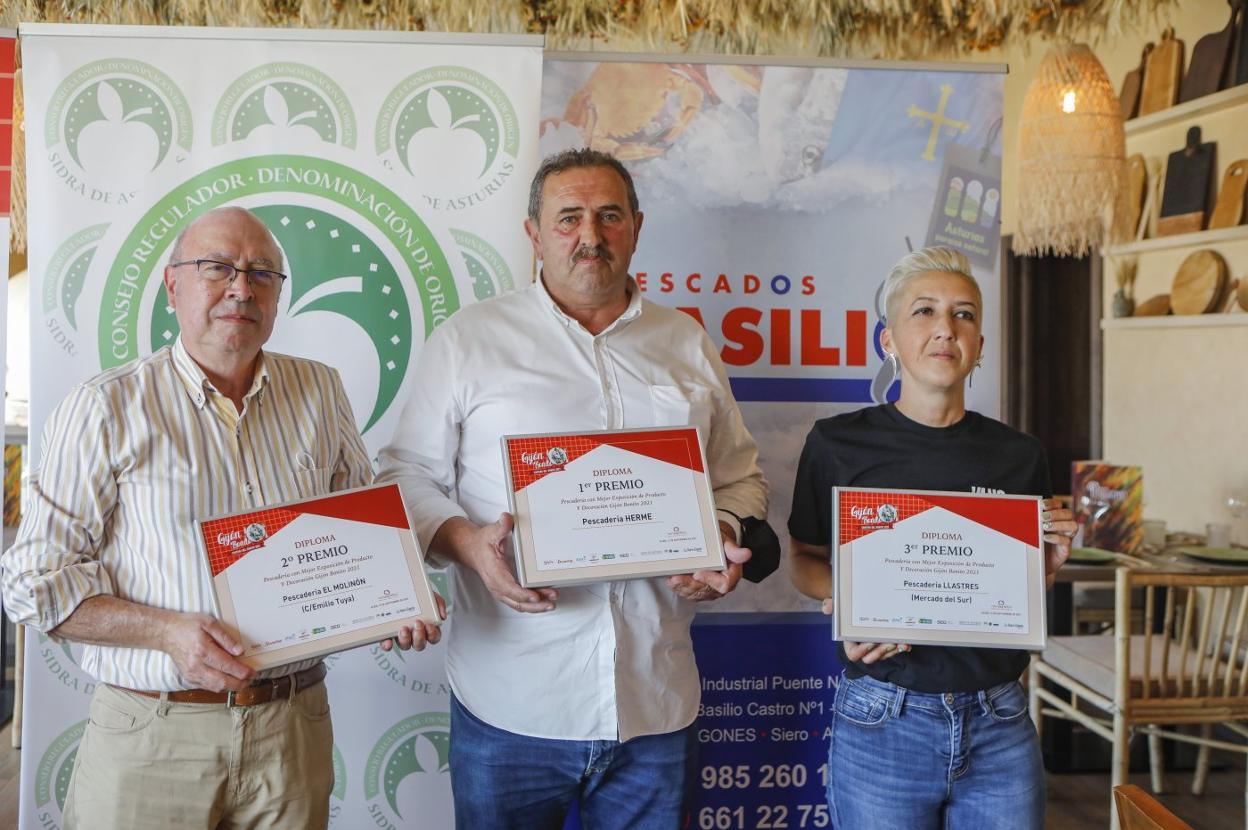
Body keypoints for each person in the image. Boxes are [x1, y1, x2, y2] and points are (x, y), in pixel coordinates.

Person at [1, 206, 442, 830]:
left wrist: (397, 598)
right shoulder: (105, 406)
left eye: (262, 273)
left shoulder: (320, 390)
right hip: (153, 735)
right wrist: (167, 632)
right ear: (172, 285)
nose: (241, 288)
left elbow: (359, 541)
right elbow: (31, 585)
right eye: (217, 268)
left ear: (279, 294)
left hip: (292, 730)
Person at [378, 148, 768, 829]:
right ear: (534, 233)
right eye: (569, 218)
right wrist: (468, 545)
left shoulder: (686, 342)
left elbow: (739, 476)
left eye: (610, 216)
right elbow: (405, 474)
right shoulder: (470, 340)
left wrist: (724, 533)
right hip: (511, 704)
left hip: (655, 700)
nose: (590, 235)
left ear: (636, 228)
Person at [787, 246, 1075, 830]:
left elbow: (1011, 590)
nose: (946, 328)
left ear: (979, 345)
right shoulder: (837, 443)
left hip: (999, 720)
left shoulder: (1020, 456)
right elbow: (804, 558)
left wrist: (1044, 569)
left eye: (963, 314)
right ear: (888, 339)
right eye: (924, 311)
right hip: (883, 716)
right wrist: (850, 605)